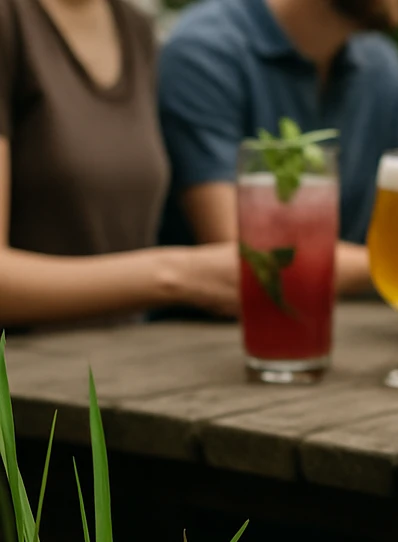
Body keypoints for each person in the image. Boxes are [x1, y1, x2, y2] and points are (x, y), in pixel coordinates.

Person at [157, 0, 398, 298]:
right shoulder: (205, 51)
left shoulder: (383, 68)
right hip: (217, 335)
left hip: (356, 327)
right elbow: (247, 261)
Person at [0, 0, 238, 329]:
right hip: (25, 369)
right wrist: (176, 275)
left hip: (124, 360)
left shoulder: (136, 28)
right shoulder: (12, 21)